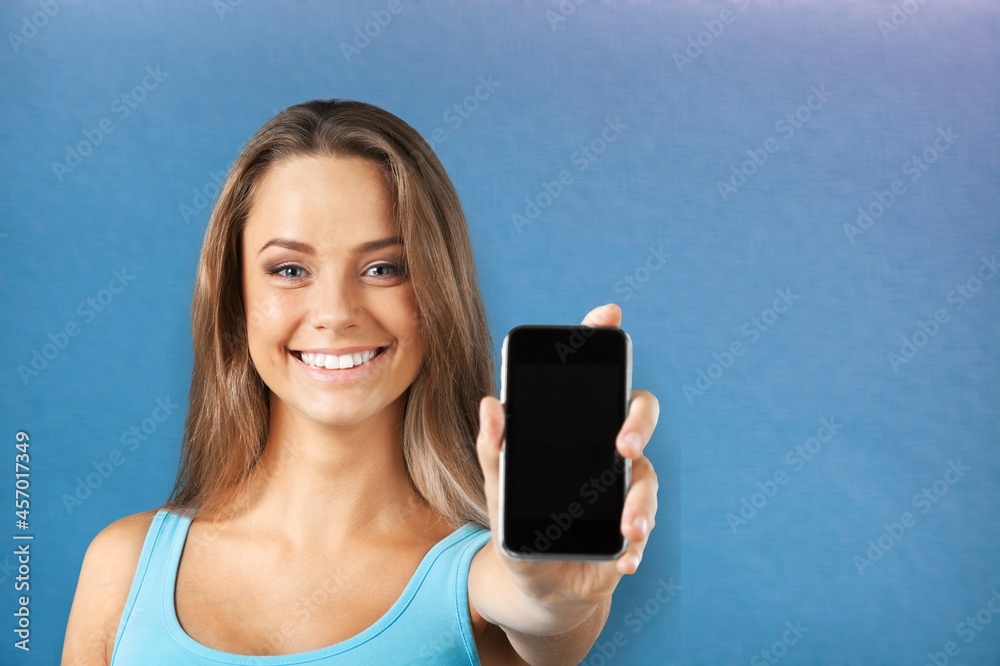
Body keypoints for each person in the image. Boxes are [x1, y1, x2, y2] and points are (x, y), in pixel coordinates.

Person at [61, 100, 660, 665]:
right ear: (237, 302)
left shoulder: (481, 579)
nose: (336, 311)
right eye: (289, 269)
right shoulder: (124, 566)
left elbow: (541, 609)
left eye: (383, 268)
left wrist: (555, 589)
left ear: (437, 297)